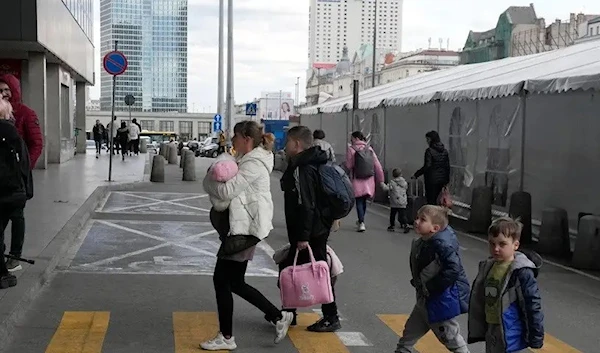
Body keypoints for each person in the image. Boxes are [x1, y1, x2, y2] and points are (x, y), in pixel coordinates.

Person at [200, 120, 294, 351]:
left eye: (235, 136)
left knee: (221, 280)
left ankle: (227, 337)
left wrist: (208, 179)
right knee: (235, 282)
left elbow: (226, 190)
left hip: (245, 229)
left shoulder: (253, 164)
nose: (232, 141)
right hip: (246, 227)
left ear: (246, 139)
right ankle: (277, 316)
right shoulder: (248, 160)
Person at [279, 125, 341, 332]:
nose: (284, 146)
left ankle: (329, 316)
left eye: (287, 142)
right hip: (316, 226)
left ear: (296, 144)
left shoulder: (302, 168)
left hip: (310, 230)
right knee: (293, 268)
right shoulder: (311, 162)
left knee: (298, 270)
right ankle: (290, 313)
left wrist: (303, 236)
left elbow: (307, 203)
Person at [395, 205, 470, 353]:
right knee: (409, 334)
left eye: (422, 220)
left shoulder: (442, 245)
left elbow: (452, 270)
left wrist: (431, 286)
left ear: (435, 228)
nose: (417, 221)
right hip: (425, 299)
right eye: (417, 217)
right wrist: (420, 282)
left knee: (451, 338)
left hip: (440, 301)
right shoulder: (425, 241)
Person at [468, 217, 544, 353]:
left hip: (510, 330)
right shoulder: (488, 266)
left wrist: (535, 335)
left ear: (515, 245)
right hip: (492, 326)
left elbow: (532, 304)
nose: (496, 249)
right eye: (492, 244)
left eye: (502, 244)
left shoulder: (521, 271)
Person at [0, 74, 42, 273]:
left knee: (17, 216)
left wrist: (24, 170)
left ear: (14, 90)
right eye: (0, 90)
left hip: (17, 178)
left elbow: (36, 144)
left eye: (7, 89)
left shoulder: (26, 113)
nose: (3, 94)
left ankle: (14, 258)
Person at [0, 99, 32, 289]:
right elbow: (25, 164)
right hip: (14, 192)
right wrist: (26, 191)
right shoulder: (14, 134)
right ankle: (10, 263)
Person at [345, 131, 384, 232]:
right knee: (364, 201)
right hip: (369, 180)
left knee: (358, 201)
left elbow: (349, 166)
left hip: (357, 179)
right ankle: (362, 220)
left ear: (356, 138)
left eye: (352, 138)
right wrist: (381, 180)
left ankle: (361, 222)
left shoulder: (351, 149)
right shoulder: (369, 149)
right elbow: (377, 165)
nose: (351, 140)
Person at [412, 130, 450, 205]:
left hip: (432, 180)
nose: (427, 141)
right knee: (439, 200)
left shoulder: (429, 151)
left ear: (431, 139)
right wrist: (446, 180)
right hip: (442, 180)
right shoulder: (445, 151)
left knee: (431, 201)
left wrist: (416, 174)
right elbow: (447, 166)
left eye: (428, 139)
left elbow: (427, 166)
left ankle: (431, 216)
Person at [381, 168, 409, 233]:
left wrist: (382, 184)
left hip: (394, 202)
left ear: (393, 175)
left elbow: (386, 189)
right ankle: (406, 224)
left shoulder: (392, 182)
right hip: (403, 201)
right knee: (403, 215)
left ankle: (392, 226)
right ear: (401, 174)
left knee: (393, 215)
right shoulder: (404, 183)